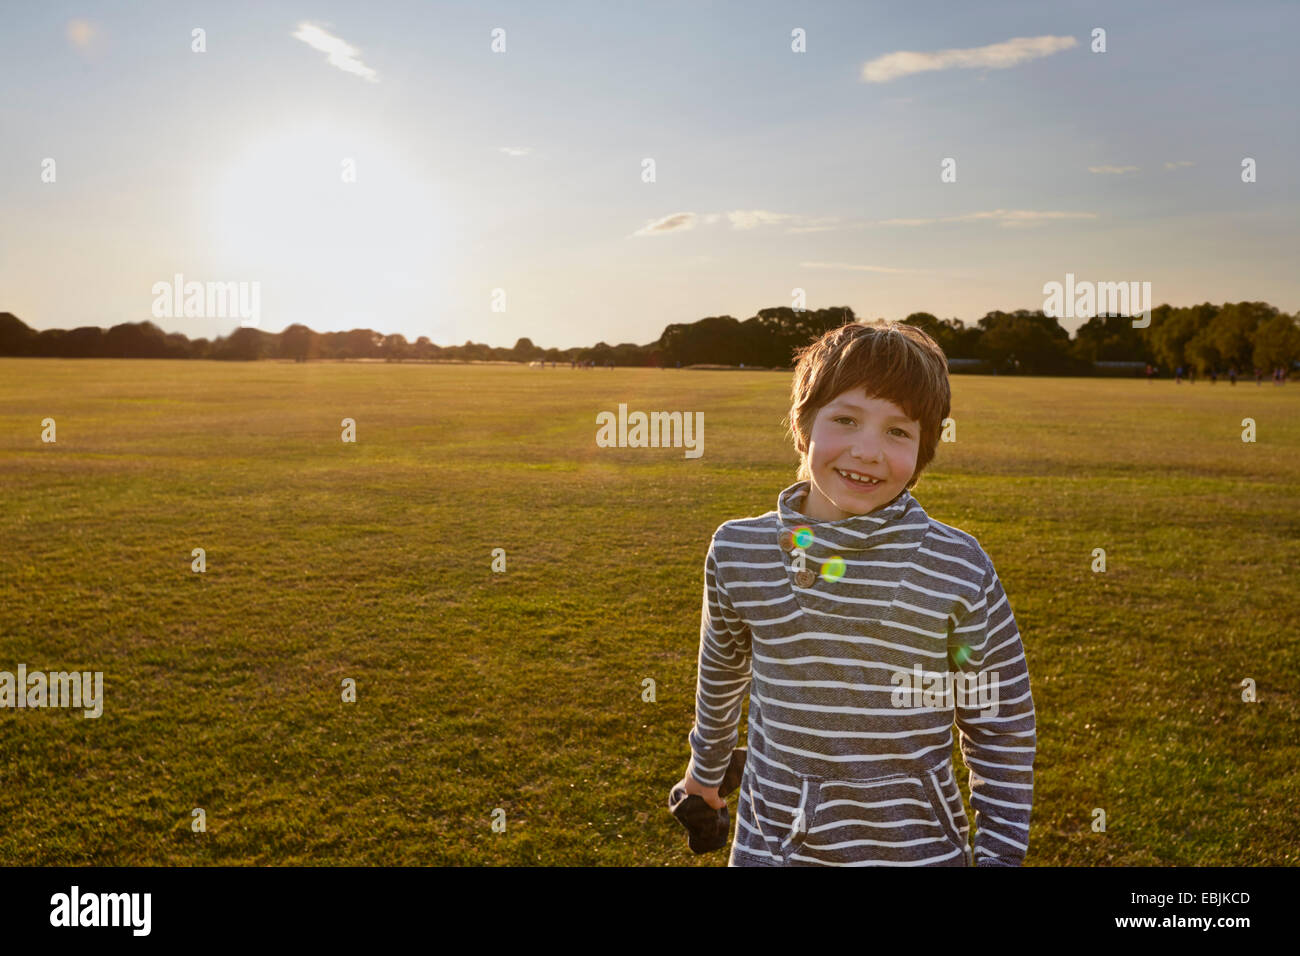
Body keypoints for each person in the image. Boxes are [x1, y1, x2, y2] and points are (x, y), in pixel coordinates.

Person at [677, 320, 1036, 867]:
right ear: (803, 426)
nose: (868, 451)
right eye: (846, 420)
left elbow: (1000, 723)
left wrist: (999, 859)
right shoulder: (740, 551)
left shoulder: (958, 567)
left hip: (918, 853)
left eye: (898, 432)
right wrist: (704, 775)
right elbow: (723, 673)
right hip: (771, 847)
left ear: (924, 449)